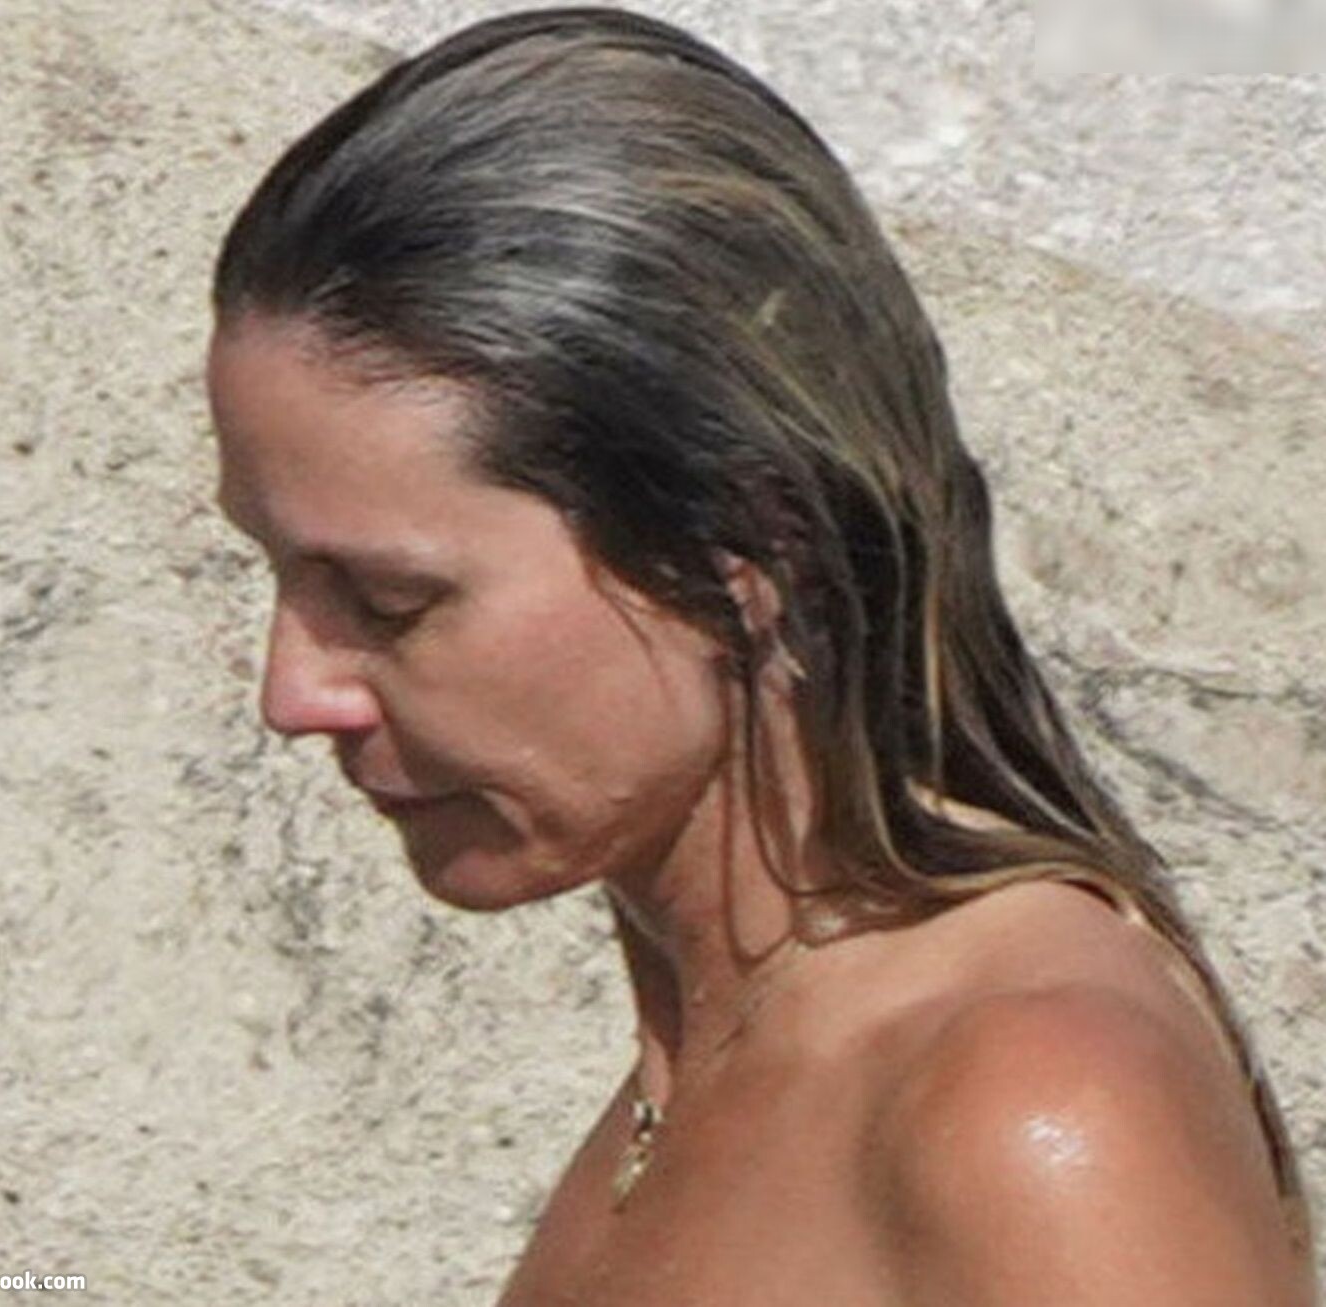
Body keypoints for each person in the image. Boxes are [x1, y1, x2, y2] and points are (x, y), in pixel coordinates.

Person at [204, 8, 1318, 1302]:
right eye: (277, 571)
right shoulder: (706, 1055)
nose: (294, 692)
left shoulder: (1027, 1112)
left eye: (391, 600)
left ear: (749, 540)